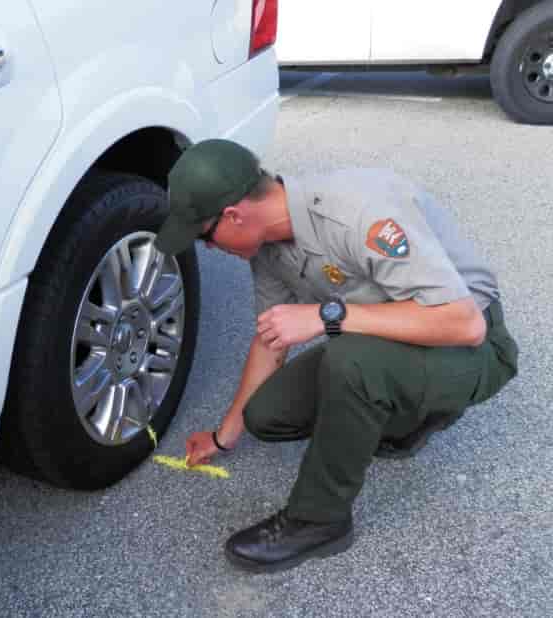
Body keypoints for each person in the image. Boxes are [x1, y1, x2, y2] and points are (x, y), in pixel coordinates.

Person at [154, 139, 519, 574]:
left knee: (350, 362)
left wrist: (328, 314)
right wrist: (224, 433)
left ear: (233, 215)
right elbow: (271, 340)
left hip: (471, 345)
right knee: (266, 415)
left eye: (204, 236)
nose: (209, 249)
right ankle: (406, 416)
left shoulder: (359, 214)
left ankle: (318, 520)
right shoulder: (268, 246)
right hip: (393, 340)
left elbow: (464, 323)